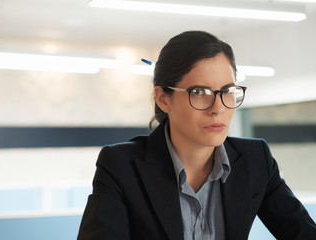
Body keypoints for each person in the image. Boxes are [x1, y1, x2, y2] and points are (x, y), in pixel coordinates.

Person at [77, 31, 316, 240]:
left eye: (227, 91)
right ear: (163, 98)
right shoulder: (121, 166)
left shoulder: (255, 159)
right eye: (199, 92)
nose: (218, 108)